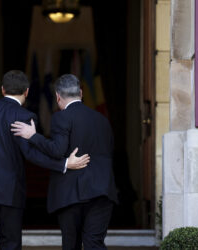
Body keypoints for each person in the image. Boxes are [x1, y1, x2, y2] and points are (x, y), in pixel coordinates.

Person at [0, 70, 89, 250]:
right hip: (9, 189)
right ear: (26, 91)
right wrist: (64, 164)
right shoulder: (25, 116)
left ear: (2, 89)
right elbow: (32, 154)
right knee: (10, 243)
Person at [11, 74, 118, 250]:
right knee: (95, 243)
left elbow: (57, 150)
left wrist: (33, 136)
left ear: (58, 96)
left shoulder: (61, 117)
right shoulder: (103, 119)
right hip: (102, 190)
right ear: (81, 93)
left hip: (71, 193)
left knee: (71, 244)